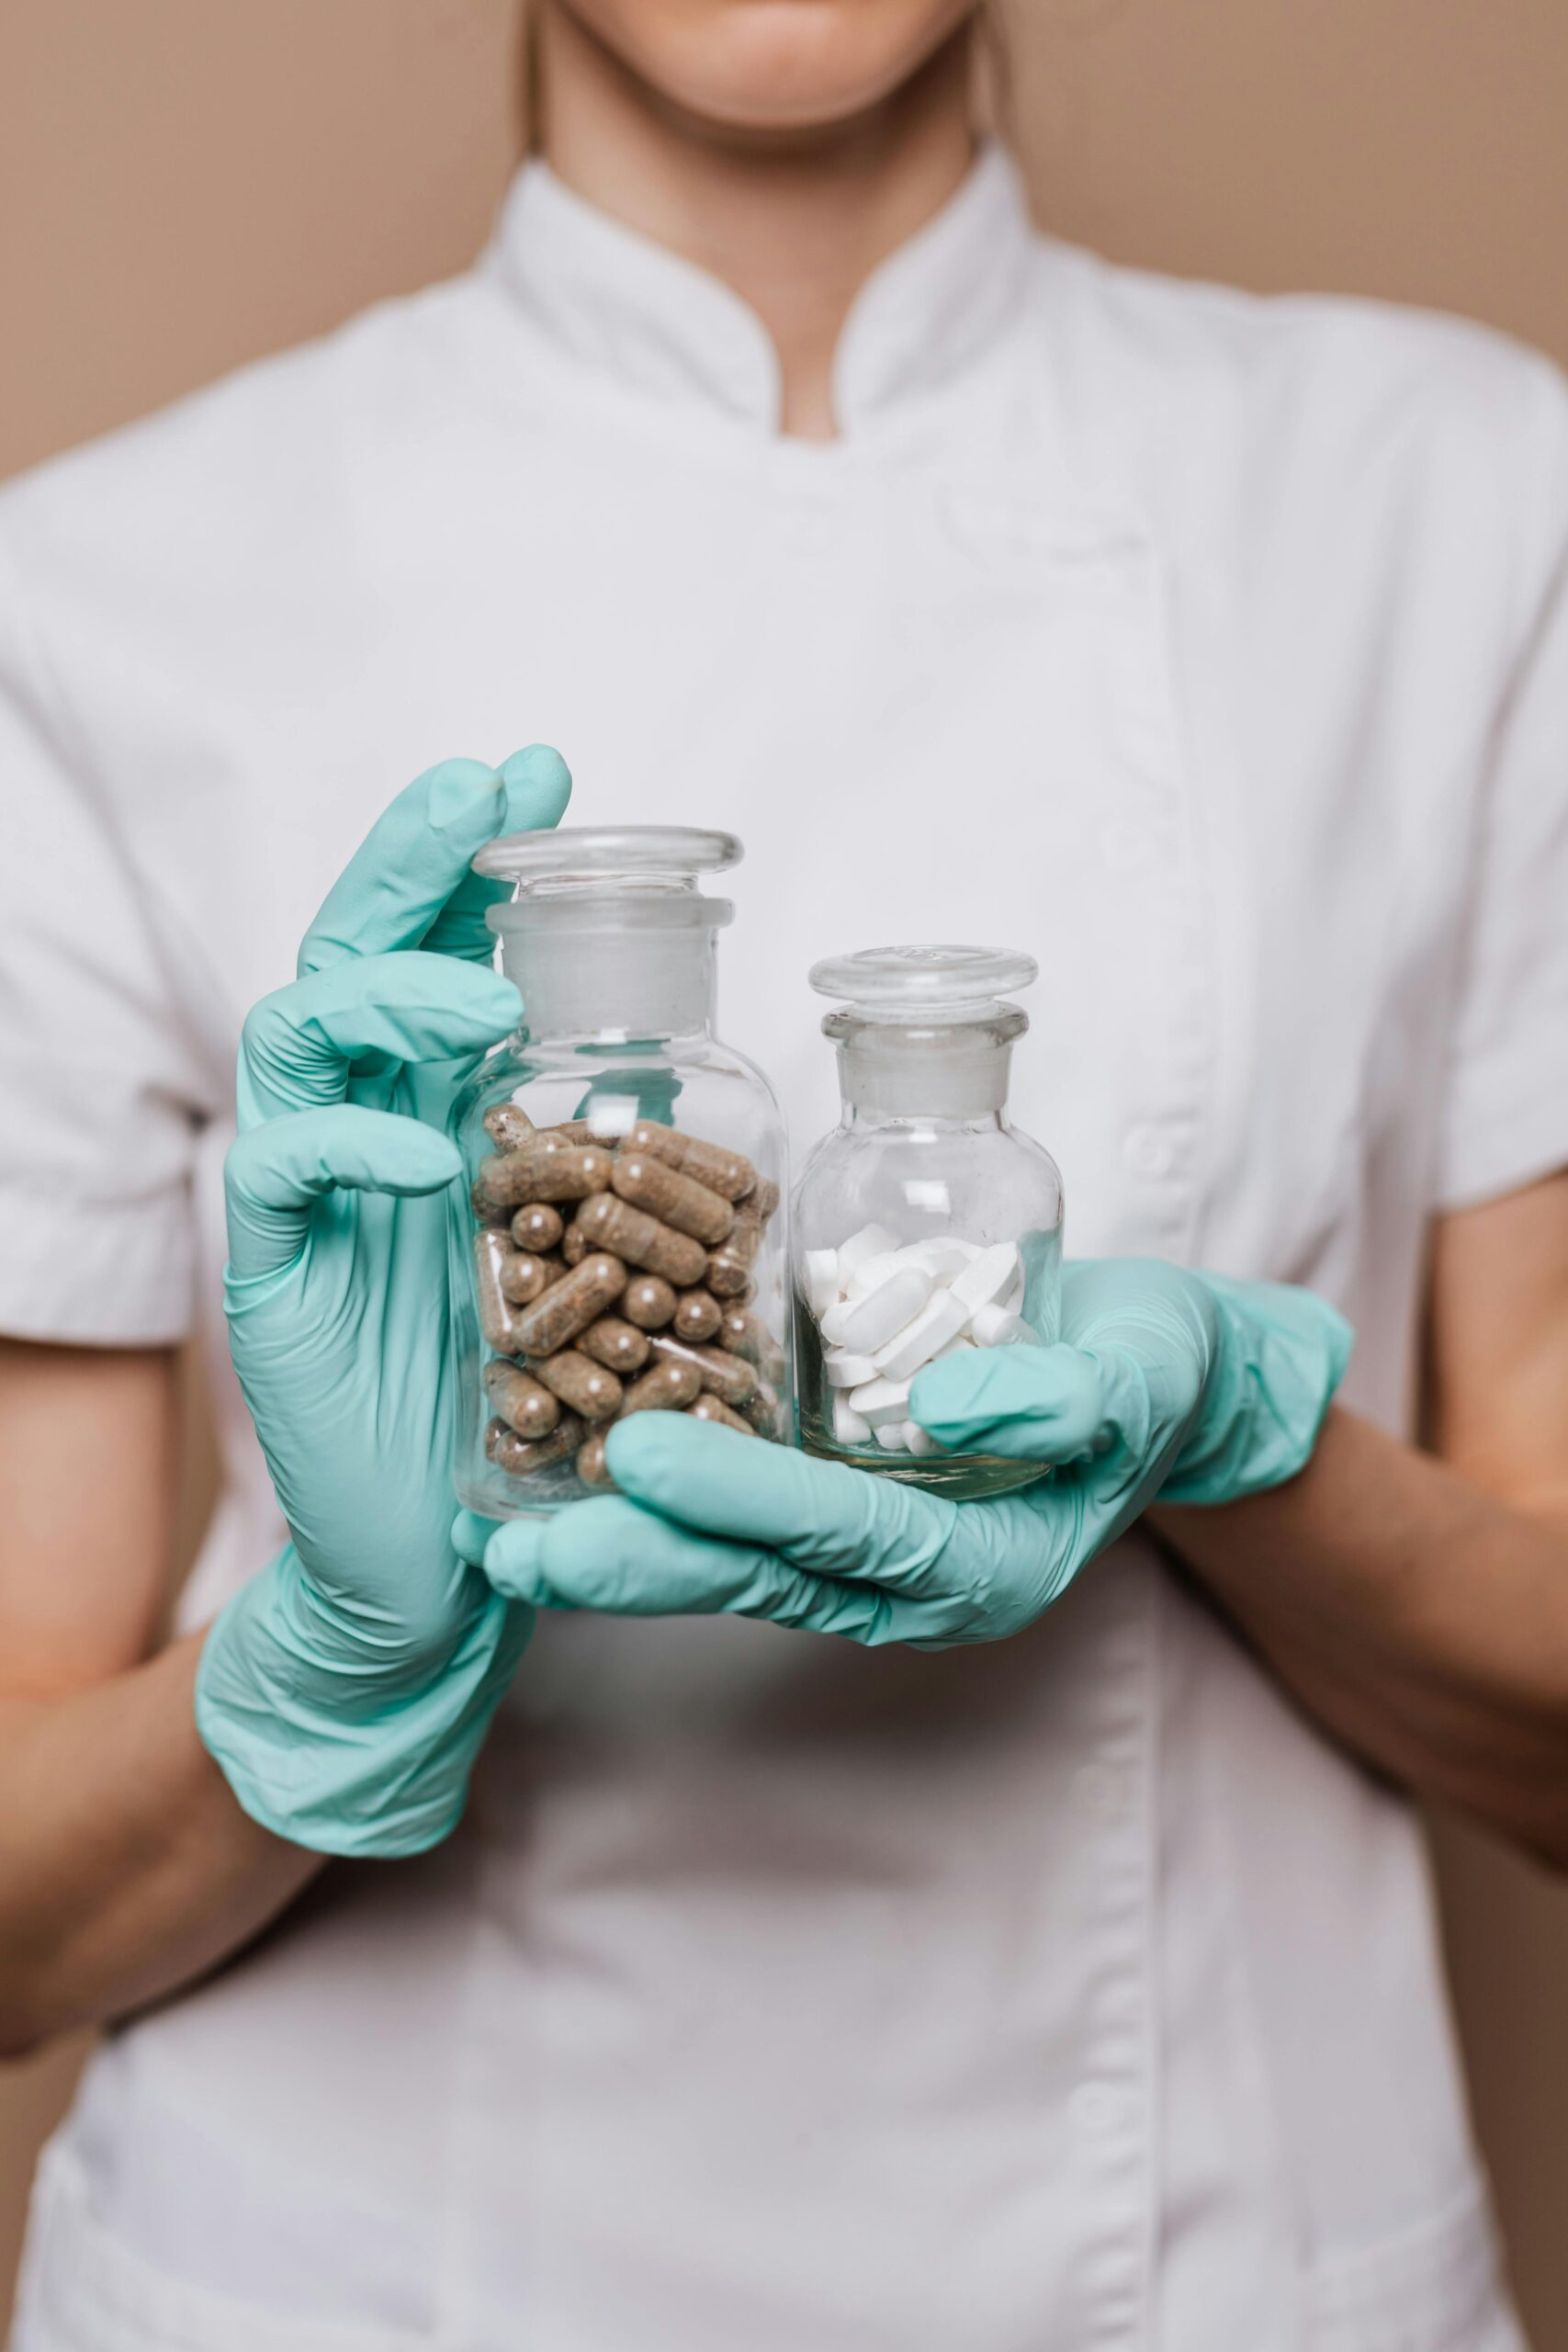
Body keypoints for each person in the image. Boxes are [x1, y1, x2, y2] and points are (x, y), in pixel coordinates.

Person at [1, 0, 1565, 2338]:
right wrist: (328, 1670)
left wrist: (1246, 1439)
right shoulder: (92, 587)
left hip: (1219, 2263)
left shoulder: (1451, 492)